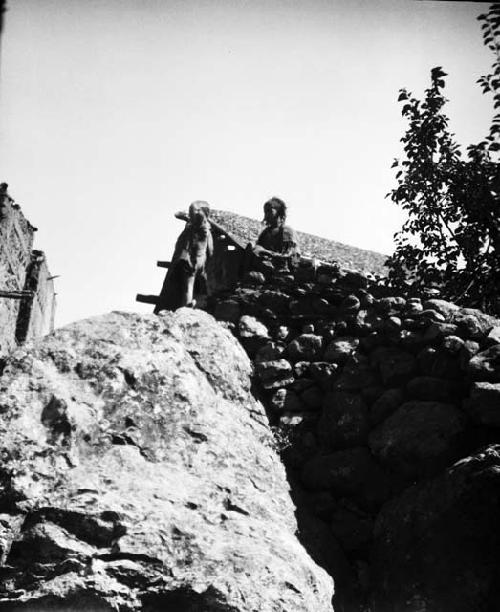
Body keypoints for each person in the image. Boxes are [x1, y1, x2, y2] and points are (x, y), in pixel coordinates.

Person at [155, 200, 213, 312]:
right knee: (200, 283)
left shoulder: (191, 229)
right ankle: (196, 303)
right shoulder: (206, 230)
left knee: (188, 284)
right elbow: (210, 250)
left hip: (190, 260)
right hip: (201, 260)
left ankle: (187, 306)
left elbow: (180, 244)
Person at [253, 197, 300, 265]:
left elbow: (289, 256)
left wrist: (266, 253)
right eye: (265, 212)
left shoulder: (287, 231)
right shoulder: (266, 232)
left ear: (279, 213)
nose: (267, 215)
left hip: (281, 271)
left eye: (269, 212)